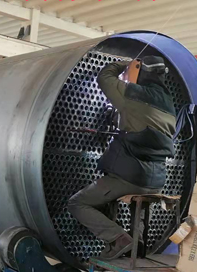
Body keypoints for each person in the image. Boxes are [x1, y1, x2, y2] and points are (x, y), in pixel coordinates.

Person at [67, 56, 176, 260]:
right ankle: (138, 245)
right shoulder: (169, 102)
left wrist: (124, 63)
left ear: (140, 70)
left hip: (129, 176)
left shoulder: (133, 93)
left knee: (77, 203)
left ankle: (118, 240)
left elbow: (104, 77)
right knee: (139, 203)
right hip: (157, 180)